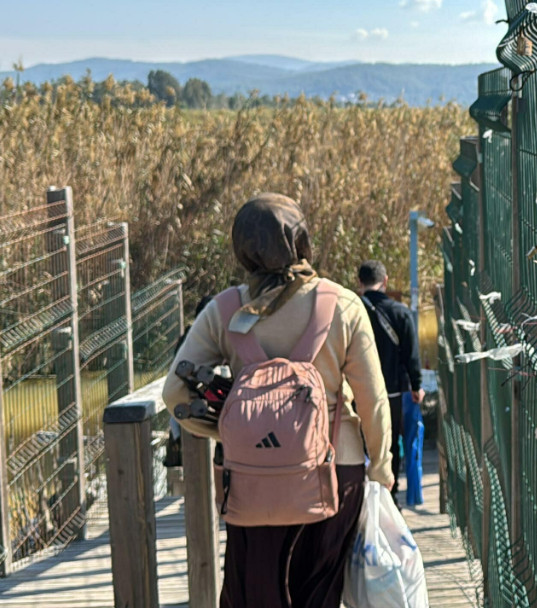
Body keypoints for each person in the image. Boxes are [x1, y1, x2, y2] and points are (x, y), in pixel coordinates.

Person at [163, 194, 393, 608]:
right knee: (317, 594)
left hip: (252, 474)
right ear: (302, 240)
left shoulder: (224, 310)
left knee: (255, 592)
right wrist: (380, 466)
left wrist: (239, 429)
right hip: (334, 470)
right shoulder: (342, 304)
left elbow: (174, 394)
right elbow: (372, 399)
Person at [356, 259, 422, 502]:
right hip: (391, 391)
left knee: (359, 442)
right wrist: (416, 386)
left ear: (359, 282)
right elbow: (411, 354)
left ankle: (362, 496)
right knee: (390, 443)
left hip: (358, 391)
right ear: (385, 281)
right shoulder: (401, 313)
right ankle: (389, 495)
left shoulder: (354, 311)